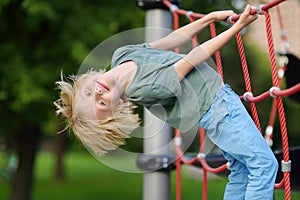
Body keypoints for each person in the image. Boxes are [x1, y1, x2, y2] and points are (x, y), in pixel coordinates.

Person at [54, 5, 278, 200]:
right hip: (220, 110)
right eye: (101, 104)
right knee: (264, 164)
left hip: (217, 107)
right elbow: (192, 58)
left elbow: (172, 40)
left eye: (88, 93)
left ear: (85, 79)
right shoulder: (142, 88)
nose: (99, 94)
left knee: (240, 171)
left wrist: (210, 18)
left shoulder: (121, 55)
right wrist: (237, 28)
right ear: (117, 106)